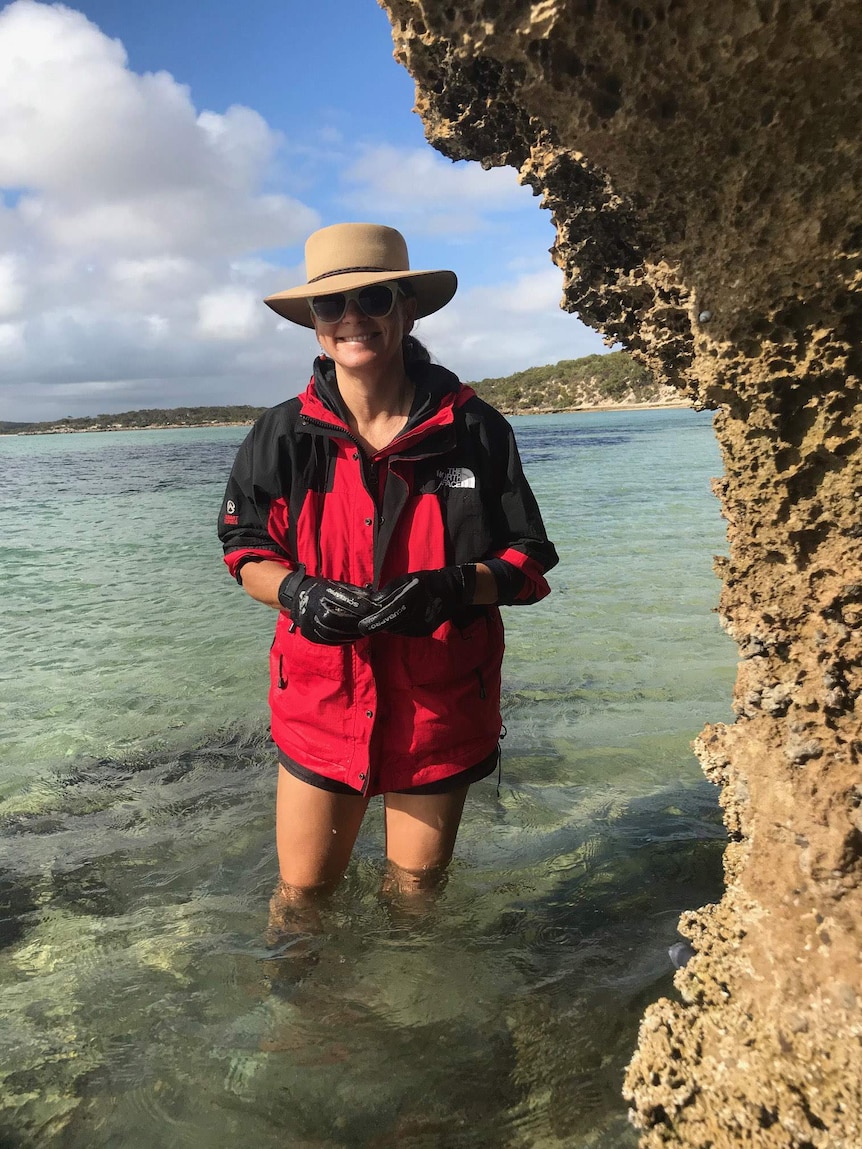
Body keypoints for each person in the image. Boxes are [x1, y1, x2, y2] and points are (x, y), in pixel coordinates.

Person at [218, 222, 558, 908]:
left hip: (440, 704)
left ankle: (409, 1017)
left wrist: (456, 587)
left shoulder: (476, 429)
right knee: (302, 899)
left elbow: (527, 559)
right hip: (320, 702)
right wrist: (298, 593)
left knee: (415, 899)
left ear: (406, 308)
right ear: (314, 324)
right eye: (330, 306)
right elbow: (244, 548)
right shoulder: (281, 434)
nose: (352, 319)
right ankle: (304, 1016)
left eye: (373, 299)